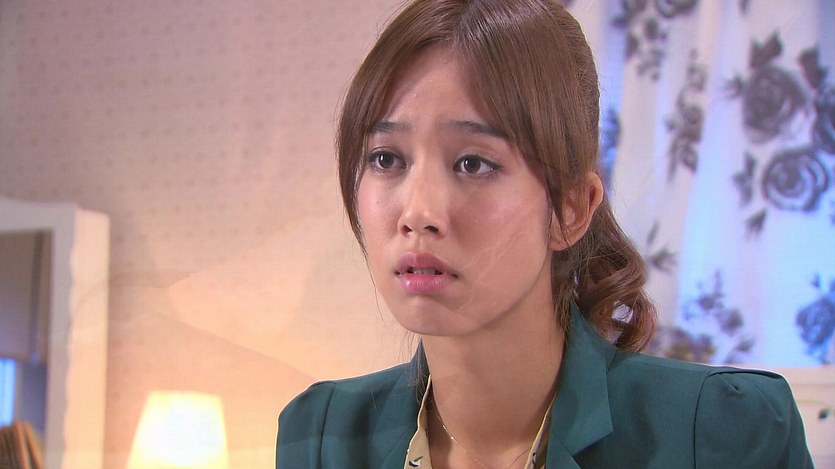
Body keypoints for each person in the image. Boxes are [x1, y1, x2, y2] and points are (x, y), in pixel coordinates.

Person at [276, 0, 813, 467]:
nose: (418, 212)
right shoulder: (321, 435)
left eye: (473, 163)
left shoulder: (722, 431)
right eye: (386, 159)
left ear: (572, 209)